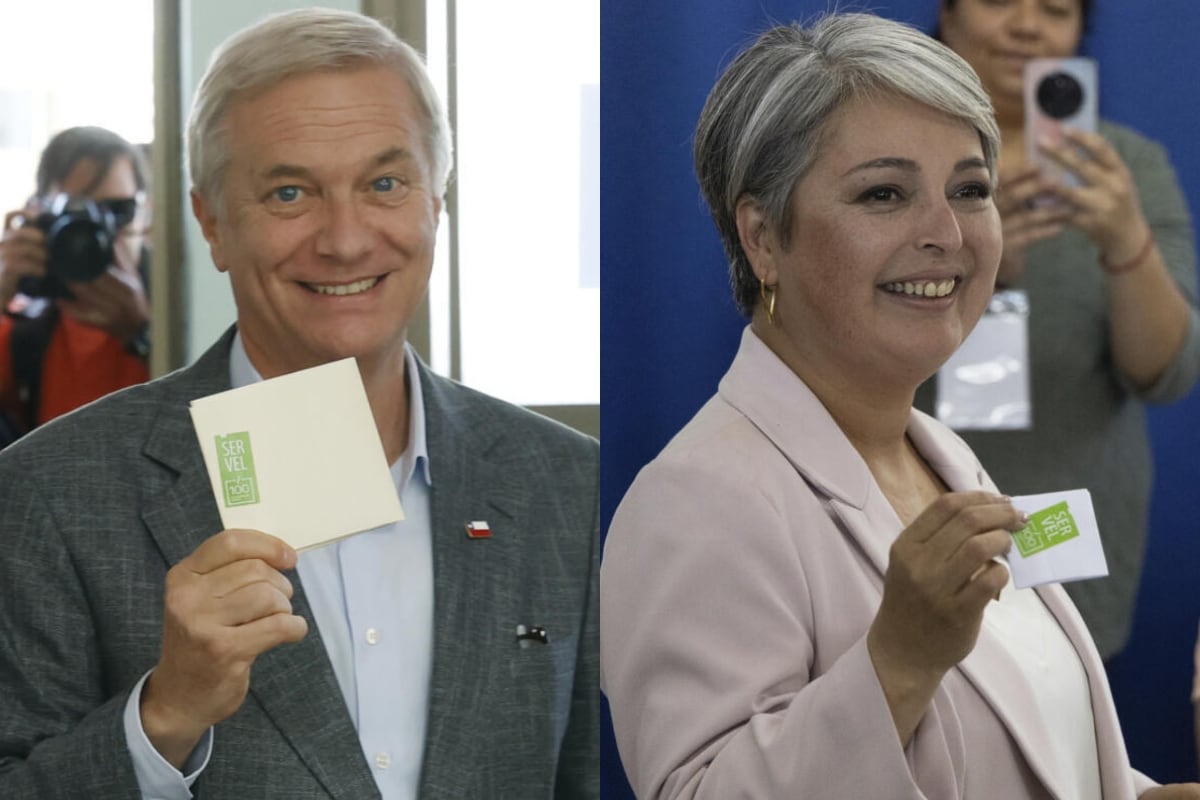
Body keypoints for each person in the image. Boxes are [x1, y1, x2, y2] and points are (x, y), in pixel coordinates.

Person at [0, 8, 598, 799]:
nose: (346, 240)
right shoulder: (52, 490)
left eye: (384, 184)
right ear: (211, 224)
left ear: (438, 201)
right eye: (290, 193)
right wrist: (164, 717)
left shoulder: (566, 485)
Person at [600, 13, 1200, 799]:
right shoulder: (692, 501)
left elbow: (1013, 737)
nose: (947, 232)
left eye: (970, 190)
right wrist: (900, 658)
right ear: (762, 238)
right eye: (885, 193)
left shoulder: (943, 455)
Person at [913, 0, 1200, 660]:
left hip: (1068, 544)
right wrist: (979, 270)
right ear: (947, 13)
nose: (1027, 25)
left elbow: (1165, 373)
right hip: (913, 529)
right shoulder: (888, 162)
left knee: (1064, 730)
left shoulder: (1126, 167)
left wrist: (1126, 240)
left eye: (1056, 8)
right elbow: (825, 347)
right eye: (997, 1)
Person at [0, 126, 152, 446]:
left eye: (117, 212)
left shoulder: (184, 308)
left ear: (144, 216)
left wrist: (143, 336)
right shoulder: (23, 327)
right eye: (75, 214)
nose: (97, 233)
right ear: (38, 216)